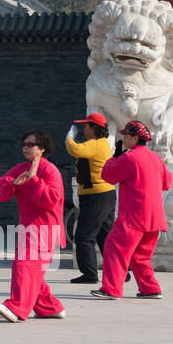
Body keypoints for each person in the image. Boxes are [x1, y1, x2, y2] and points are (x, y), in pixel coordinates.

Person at [0, 130, 67, 322]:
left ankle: (16, 308)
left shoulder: (50, 171)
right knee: (33, 271)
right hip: (28, 228)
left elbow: (51, 200)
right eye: (23, 144)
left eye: (30, 145)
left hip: (45, 228)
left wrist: (34, 180)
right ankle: (51, 307)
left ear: (42, 149)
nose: (26, 148)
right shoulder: (20, 168)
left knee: (24, 265)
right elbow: (2, 189)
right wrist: (14, 182)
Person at [91, 121, 170, 300]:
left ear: (135, 138)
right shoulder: (155, 158)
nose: (123, 137)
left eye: (126, 135)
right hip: (154, 218)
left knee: (114, 248)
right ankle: (150, 289)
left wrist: (114, 158)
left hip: (133, 216)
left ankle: (110, 290)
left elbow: (108, 176)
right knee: (141, 256)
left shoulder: (130, 157)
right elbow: (167, 183)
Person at [64, 112, 116, 284]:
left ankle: (89, 274)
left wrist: (69, 138)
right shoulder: (99, 144)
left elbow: (75, 149)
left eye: (85, 126)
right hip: (104, 194)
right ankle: (121, 272)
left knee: (84, 236)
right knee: (104, 237)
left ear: (94, 128)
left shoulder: (96, 144)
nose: (83, 129)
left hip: (96, 195)